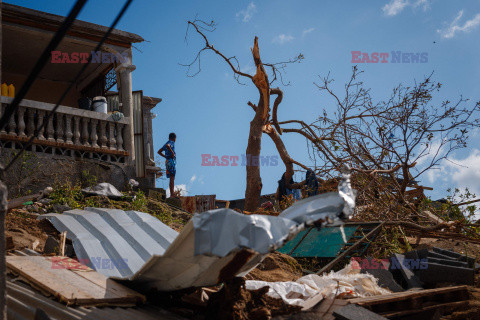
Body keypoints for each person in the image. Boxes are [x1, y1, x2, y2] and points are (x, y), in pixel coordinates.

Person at [158, 132, 176, 198]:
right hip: (171, 161)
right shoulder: (171, 142)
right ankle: (172, 194)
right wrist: (172, 153)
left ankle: (172, 193)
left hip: (167, 161)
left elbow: (159, 151)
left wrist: (165, 156)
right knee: (172, 177)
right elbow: (168, 146)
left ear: (169, 138)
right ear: (174, 138)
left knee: (171, 177)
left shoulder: (165, 143)